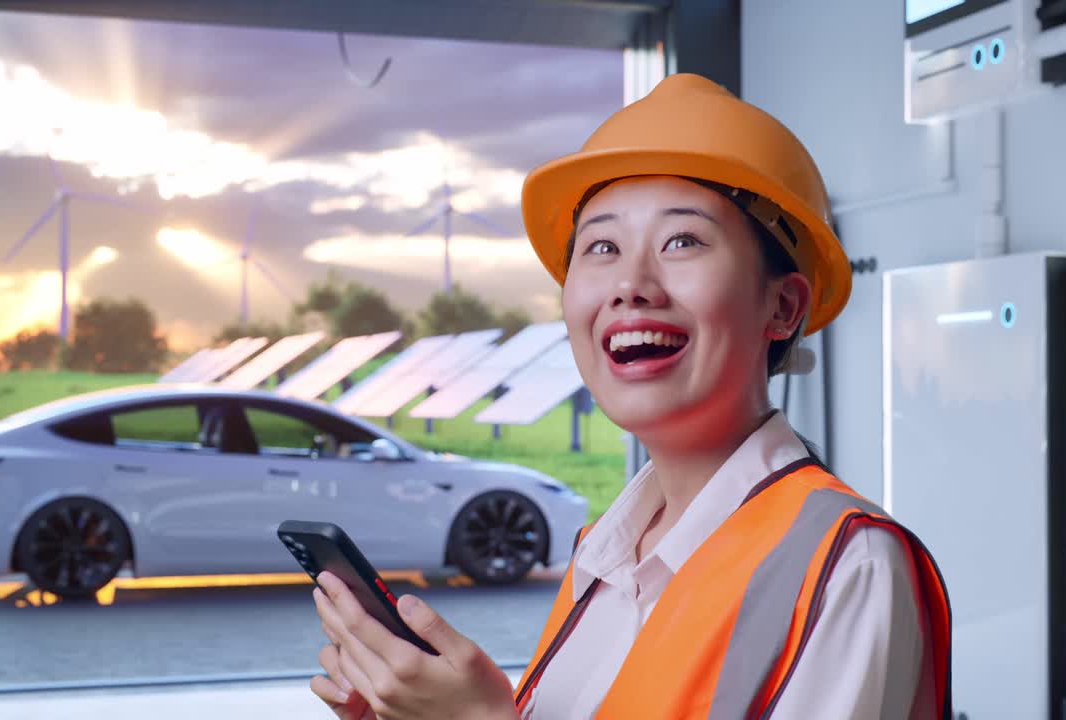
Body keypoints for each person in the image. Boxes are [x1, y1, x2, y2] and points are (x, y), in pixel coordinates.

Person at [308, 73, 952, 720]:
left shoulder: (847, 564)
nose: (629, 284)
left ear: (782, 307)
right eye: (602, 246)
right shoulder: (606, 554)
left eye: (682, 241)